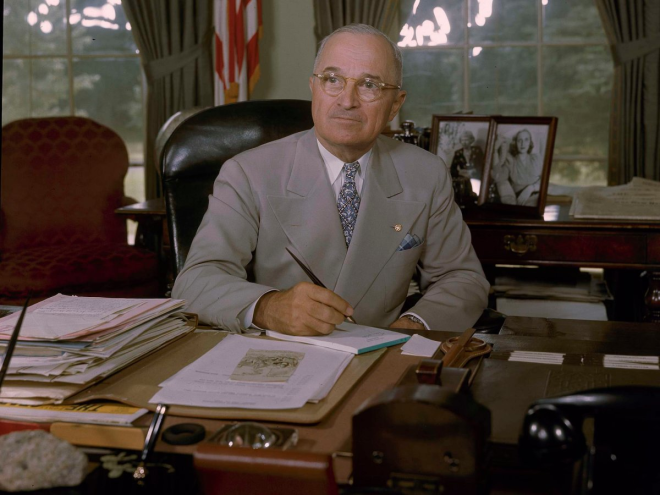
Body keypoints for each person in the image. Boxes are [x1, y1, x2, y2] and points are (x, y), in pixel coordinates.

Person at [172, 24, 489, 336]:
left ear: (395, 104)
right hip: (285, 354)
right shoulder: (247, 172)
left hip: (383, 357)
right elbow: (195, 281)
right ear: (314, 88)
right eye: (333, 79)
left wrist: (414, 325)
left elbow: (463, 278)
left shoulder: (426, 173)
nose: (347, 100)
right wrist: (269, 307)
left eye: (369, 85)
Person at [491, 128, 542, 206]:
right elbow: (498, 177)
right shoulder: (511, 161)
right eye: (519, 140)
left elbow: (546, 179)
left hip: (539, 194)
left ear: (530, 142)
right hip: (523, 201)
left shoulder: (536, 158)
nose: (523, 144)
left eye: (526, 140)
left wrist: (531, 188)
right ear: (515, 143)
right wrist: (496, 150)